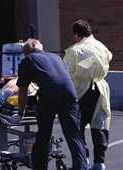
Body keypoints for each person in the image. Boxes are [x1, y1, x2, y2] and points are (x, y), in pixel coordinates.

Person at [16, 38, 88, 170]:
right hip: (69, 93)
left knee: (44, 134)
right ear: (40, 47)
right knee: (73, 134)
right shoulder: (56, 57)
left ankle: (39, 166)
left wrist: (21, 112)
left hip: (49, 95)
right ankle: (82, 167)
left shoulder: (27, 60)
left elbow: (23, 90)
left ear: (26, 52)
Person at [63, 19, 112, 170]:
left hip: (82, 91)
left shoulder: (74, 50)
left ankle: (83, 162)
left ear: (77, 34)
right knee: (99, 126)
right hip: (101, 88)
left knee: (77, 128)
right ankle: (100, 163)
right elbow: (109, 56)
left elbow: (66, 73)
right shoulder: (101, 46)